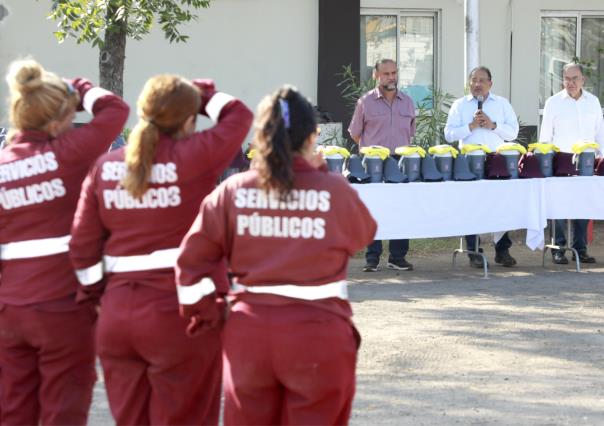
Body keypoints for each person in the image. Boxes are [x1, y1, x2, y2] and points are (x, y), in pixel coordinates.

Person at [176, 86, 377, 425]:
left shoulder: (233, 190)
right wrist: (319, 177)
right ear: (313, 136)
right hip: (318, 334)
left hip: (248, 334)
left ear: (260, 136)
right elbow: (362, 236)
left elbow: (191, 263)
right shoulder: (334, 190)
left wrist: (211, 317)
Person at [69, 75, 253, 425]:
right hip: (182, 315)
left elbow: (81, 246)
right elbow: (239, 116)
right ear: (188, 119)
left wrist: (97, 297)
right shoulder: (194, 155)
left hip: (117, 316)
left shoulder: (106, 167)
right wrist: (206, 95)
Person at [0, 59, 128, 425]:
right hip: (63, 307)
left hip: (10, 309)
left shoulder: (2, 164)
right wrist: (77, 86)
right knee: (64, 409)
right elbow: (115, 109)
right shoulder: (70, 153)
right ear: (56, 121)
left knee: (13, 408)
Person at [444, 66, 520, 268]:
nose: (477, 84)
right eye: (473, 80)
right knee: (472, 205)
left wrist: (493, 125)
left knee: (500, 205)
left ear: (490, 84)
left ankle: (502, 251)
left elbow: (513, 133)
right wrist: (470, 127)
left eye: (482, 80)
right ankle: (473, 251)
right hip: (469, 162)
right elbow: (448, 134)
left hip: (497, 161)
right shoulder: (460, 105)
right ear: (469, 83)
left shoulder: (502, 104)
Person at [348, 58, 415, 272]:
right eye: (386, 74)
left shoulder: (408, 102)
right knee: (373, 209)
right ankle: (372, 257)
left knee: (401, 209)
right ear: (376, 76)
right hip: (373, 162)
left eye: (394, 73)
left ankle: (397, 256)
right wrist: (372, 152)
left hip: (400, 161)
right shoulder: (365, 102)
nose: (391, 77)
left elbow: (410, 132)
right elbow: (355, 133)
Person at [539, 63, 604, 265]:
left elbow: (600, 133)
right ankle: (558, 248)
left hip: (586, 160)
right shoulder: (553, 102)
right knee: (558, 206)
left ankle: (580, 248)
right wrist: (545, 161)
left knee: (583, 205)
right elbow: (545, 136)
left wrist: (601, 158)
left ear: (583, 79)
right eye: (567, 79)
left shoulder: (592, 102)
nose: (570, 83)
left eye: (574, 78)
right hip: (561, 160)